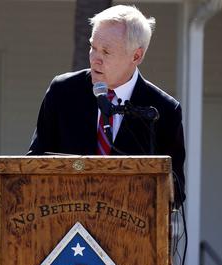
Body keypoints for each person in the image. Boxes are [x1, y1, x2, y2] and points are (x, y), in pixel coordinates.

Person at [28, 5, 186, 200]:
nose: (95, 59)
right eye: (93, 47)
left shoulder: (163, 110)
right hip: (65, 222)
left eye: (106, 52)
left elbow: (176, 193)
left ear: (136, 56)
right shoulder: (63, 91)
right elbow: (33, 164)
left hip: (130, 226)